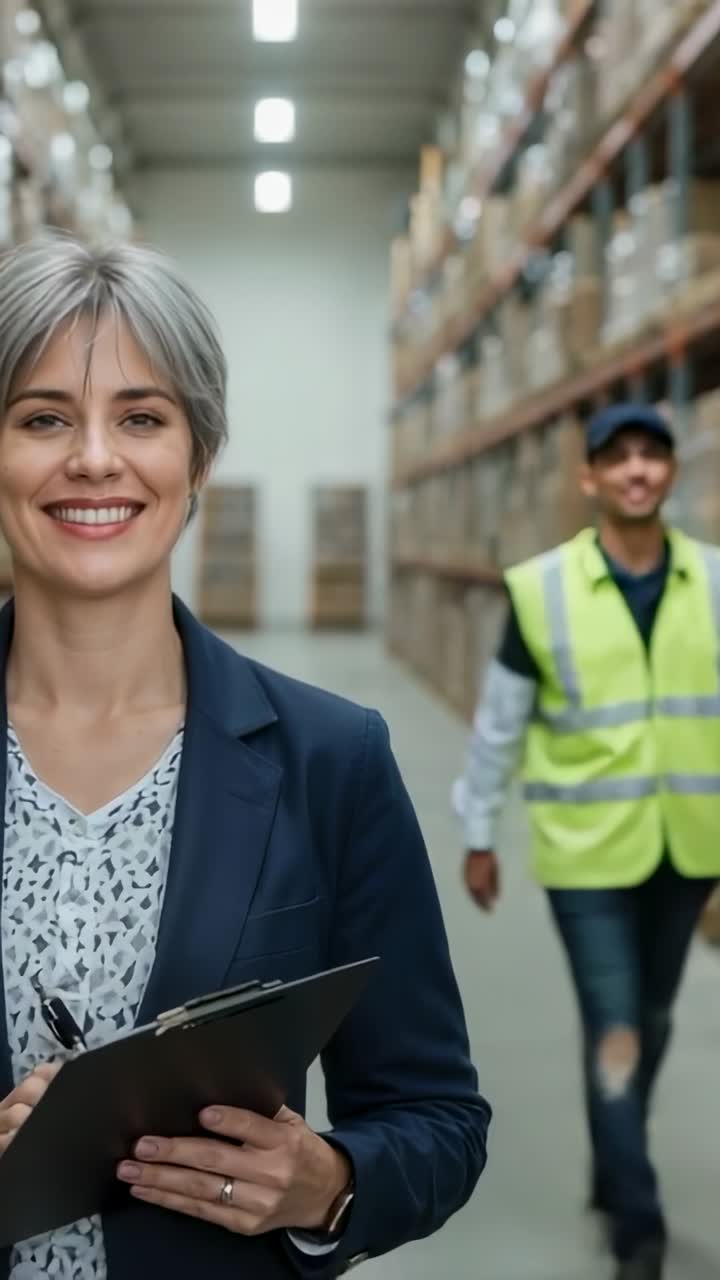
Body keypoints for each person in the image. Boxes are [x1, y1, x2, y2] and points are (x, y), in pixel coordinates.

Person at [0, 234, 490, 1280]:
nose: (95, 458)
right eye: (44, 418)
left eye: (142, 417)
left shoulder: (330, 761)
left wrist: (327, 1182)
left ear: (199, 459)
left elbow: (437, 1117)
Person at [454, 403, 720, 1280]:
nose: (637, 469)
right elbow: (500, 725)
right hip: (586, 854)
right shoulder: (543, 589)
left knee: (653, 1017)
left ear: (671, 473)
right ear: (590, 478)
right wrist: (479, 830)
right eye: (619, 457)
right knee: (616, 1024)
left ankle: (613, 1164)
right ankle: (637, 1225)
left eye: (654, 455)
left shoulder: (715, 582)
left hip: (688, 847)